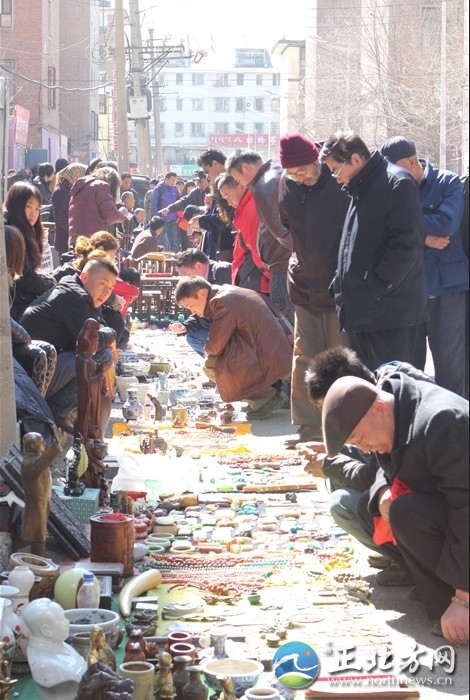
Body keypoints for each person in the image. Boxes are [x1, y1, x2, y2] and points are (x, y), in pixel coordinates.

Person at [321, 374, 469, 645]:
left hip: (463, 518)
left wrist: (464, 598)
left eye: (361, 438)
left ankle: (456, 599)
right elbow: (383, 467)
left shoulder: (442, 421)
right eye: (356, 445)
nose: (364, 448)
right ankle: (440, 595)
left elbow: (467, 511)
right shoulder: (392, 413)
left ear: (379, 409)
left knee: (405, 512)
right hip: (444, 514)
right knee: (372, 508)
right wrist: (381, 491)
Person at [303, 346, 433, 586]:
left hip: (428, 504)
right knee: (346, 478)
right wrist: (339, 449)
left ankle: (419, 569)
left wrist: (331, 464)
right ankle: (407, 558)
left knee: (346, 502)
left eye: (331, 407)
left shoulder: (390, 405)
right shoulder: (379, 387)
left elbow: (377, 472)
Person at [319, 131, 428, 370]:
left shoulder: (396, 183)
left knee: (394, 394)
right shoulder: (361, 186)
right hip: (361, 313)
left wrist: (375, 287)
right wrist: (340, 285)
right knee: (367, 395)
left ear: (356, 160)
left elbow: (405, 246)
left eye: (337, 170)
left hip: (390, 317)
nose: (336, 179)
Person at [277, 133, 350, 447]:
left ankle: (345, 426)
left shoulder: (338, 182)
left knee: (341, 357)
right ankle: (308, 426)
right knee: (305, 355)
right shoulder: (288, 186)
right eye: (293, 172)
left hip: (338, 285)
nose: (301, 176)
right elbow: (285, 226)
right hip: (304, 284)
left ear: (315, 158)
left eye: (304, 168)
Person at [380, 135, 468, 397]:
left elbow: (446, 224)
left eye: (394, 169)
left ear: (411, 162)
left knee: (452, 368)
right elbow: (384, 230)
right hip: (408, 289)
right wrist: (424, 237)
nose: (391, 175)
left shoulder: (447, 182)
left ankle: (457, 429)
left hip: (447, 290)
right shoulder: (389, 188)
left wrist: (409, 227)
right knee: (409, 368)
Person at [20, 255, 118, 433]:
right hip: (32, 375)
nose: (106, 292)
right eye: (103, 284)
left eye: (111, 288)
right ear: (85, 277)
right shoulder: (76, 296)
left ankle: (62, 410)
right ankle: (60, 410)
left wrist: (106, 333)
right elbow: (91, 342)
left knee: (97, 357)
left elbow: (94, 328)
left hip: (41, 366)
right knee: (103, 357)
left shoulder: (77, 290)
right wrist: (112, 335)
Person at [175, 276, 292, 419]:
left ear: (201, 293)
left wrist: (207, 351)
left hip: (272, 357)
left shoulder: (222, 301)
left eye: (191, 306)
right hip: (276, 351)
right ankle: (264, 396)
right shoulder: (226, 293)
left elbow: (215, 346)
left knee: (211, 365)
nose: (192, 312)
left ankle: (267, 398)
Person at [226, 149, 294, 322]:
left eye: (238, 179)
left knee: (287, 327)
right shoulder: (279, 172)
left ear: (246, 168)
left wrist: (298, 252)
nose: (241, 184)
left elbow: (280, 232)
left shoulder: (263, 188)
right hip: (289, 263)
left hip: (281, 265)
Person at [3, 181, 56, 320]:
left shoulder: (29, 231)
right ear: (16, 206)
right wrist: (50, 286)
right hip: (15, 307)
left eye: (37, 208)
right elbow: (24, 276)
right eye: (28, 207)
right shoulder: (10, 233)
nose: (33, 213)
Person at [169, 248, 232, 356]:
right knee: (193, 337)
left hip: (231, 328)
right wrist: (186, 325)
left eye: (185, 275)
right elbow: (201, 311)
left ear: (198, 266)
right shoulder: (200, 283)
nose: (185, 279)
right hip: (216, 326)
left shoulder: (223, 272)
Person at [217, 173, 270, 294]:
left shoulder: (251, 208)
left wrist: (271, 276)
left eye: (228, 196)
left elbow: (257, 249)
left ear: (241, 185)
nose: (228, 203)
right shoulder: (245, 207)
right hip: (253, 277)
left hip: (259, 281)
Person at [24, 598, 87, 699]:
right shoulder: (44, 664)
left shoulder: (61, 644)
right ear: (46, 630)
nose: (67, 622)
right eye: (62, 619)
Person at [21, 429, 64, 557]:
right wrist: (56, 445)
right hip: (35, 505)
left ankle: (40, 560)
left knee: (41, 534)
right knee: (37, 535)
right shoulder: (28, 463)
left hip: (43, 501)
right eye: (42, 442)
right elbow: (43, 463)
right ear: (33, 446)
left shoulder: (36, 459)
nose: (44, 445)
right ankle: (38, 561)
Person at [68, 166, 129, 244]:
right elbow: (111, 216)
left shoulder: (81, 185)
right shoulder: (102, 186)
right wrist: (122, 214)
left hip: (75, 237)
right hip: (93, 239)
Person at [51, 163, 88, 254]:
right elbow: (61, 217)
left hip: (71, 238)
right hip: (65, 240)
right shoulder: (61, 192)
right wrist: (76, 231)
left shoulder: (70, 189)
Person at [151, 171, 180, 251]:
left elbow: (178, 204)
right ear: (166, 179)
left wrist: (178, 216)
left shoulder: (175, 190)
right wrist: (157, 219)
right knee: (158, 242)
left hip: (173, 221)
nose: (173, 182)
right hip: (162, 221)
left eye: (175, 180)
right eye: (172, 180)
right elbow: (154, 205)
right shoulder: (159, 189)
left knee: (174, 243)